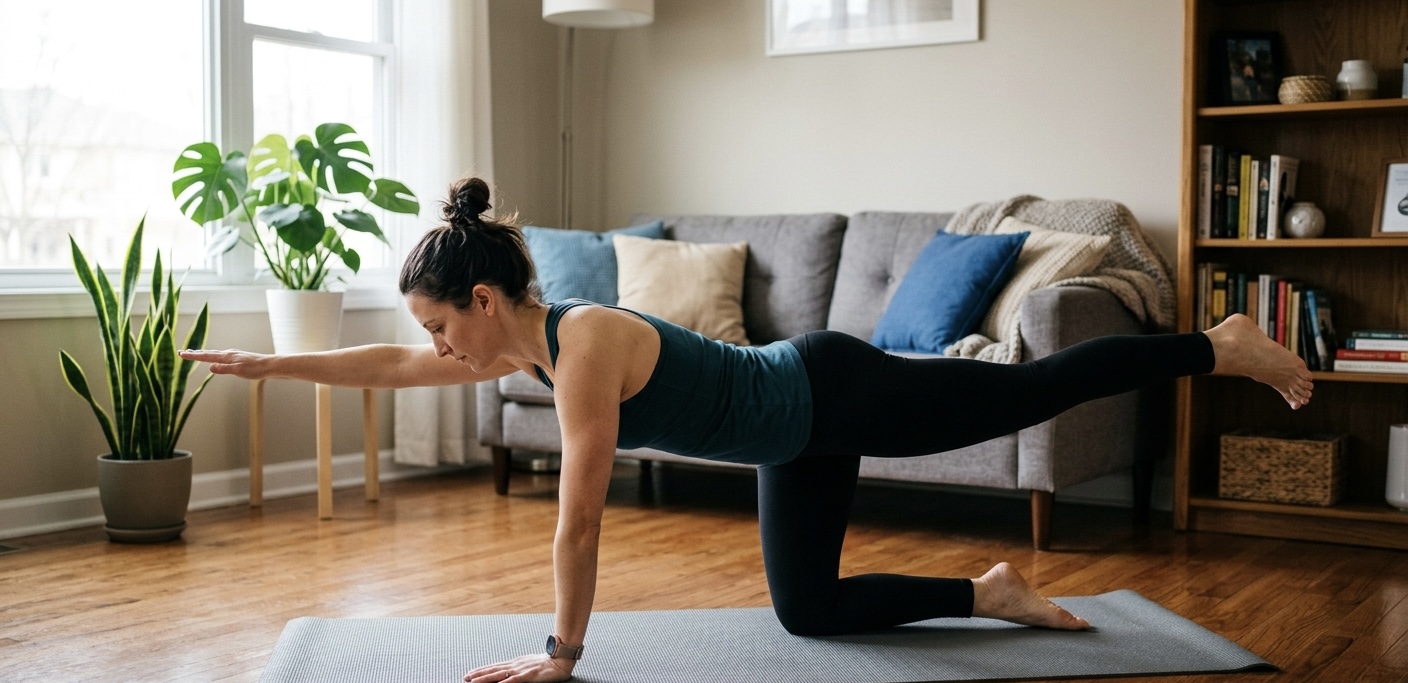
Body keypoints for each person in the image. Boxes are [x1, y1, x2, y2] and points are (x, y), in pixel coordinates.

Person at [181, 178, 1313, 683]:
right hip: (794, 434)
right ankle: (991, 589)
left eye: (438, 323)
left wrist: (562, 655)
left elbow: (577, 528)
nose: (432, 348)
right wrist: (266, 360)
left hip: (833, 387)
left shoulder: (580, 351)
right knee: (807, 613)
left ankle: (1217, 344)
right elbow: (384, 363)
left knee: (1031, 388)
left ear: (483, 301)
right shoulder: (522, 341)